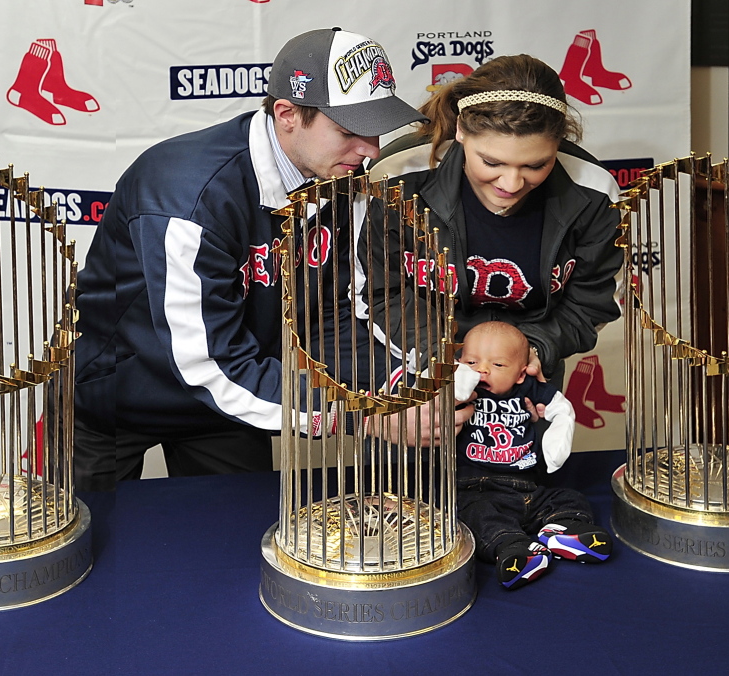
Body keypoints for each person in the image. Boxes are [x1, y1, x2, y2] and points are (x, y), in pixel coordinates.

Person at [72, 28, 436, 491]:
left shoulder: (341, 177)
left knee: (235, 546)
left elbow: (335, 313)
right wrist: (363, 417)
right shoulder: (188, 196)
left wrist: (401, 388)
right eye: (348, 132)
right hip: (112, 400)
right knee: (87, 550)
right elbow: (206, 366)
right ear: (287, 114)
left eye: (375, 129)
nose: (371, 150)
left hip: (228, 404)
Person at [359, 54, 623, 385]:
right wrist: (437, 360)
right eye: (491, 162)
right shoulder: (397, 177)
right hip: (418, 368)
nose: (511, 184)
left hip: (528, 374)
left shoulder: (594, 193)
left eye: (535, 165)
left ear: (559, 144)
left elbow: (593, 301)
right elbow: (378, 290)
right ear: (460, 131)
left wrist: (534, 351)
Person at [454, 321, 611, 590]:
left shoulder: (528, 388)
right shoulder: (465, 396)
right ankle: (514, 548)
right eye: (472, 361)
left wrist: (555, 441)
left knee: (569, 498)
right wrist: (458, 379)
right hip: (477, 488)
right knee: (473, 516)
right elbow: (441, 396)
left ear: (520, 374)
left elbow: (562, 408)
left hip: (528, 488)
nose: (482, 369)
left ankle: (562, 530)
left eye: (498, 365)